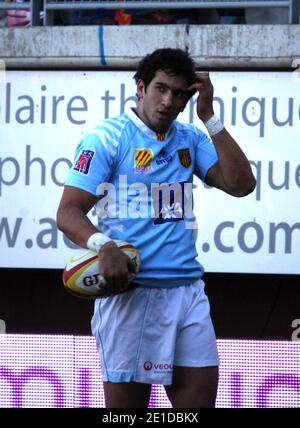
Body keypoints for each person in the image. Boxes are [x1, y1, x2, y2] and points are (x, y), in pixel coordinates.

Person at [56, 48, 256, 408]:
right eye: (160, 89)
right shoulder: (106, 139)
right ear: (140, 87)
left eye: (179, 94)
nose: (167, 101)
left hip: (188, 293)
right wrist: (104, 245)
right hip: (131, 296)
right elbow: (68, 212)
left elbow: (242, 185)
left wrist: (208, 117)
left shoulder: (191, 139)